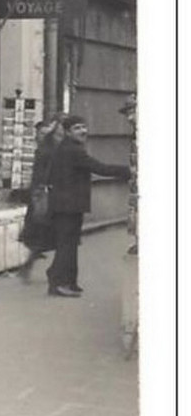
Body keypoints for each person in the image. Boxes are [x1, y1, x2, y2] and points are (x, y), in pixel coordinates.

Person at [40, 113, 131, 298]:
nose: (83, 131)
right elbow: (100, 168)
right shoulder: (73, 150)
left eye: (83, 127)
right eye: (77, 128)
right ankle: (59, 282)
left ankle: (68, 281)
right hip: (68, 205)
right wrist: (129, 171)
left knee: (70, 243)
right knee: (67, 244)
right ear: (67, 132)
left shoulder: (67, 147)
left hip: (67, 204)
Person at [16, 116, 61, 283]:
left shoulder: (47, 149)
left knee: (42, 235)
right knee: (46, 234)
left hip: (41, 196)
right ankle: (32, 265)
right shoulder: (49, 150)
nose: (40, 136)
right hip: (45, 197)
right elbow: (41, 175)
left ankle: (30, 264)